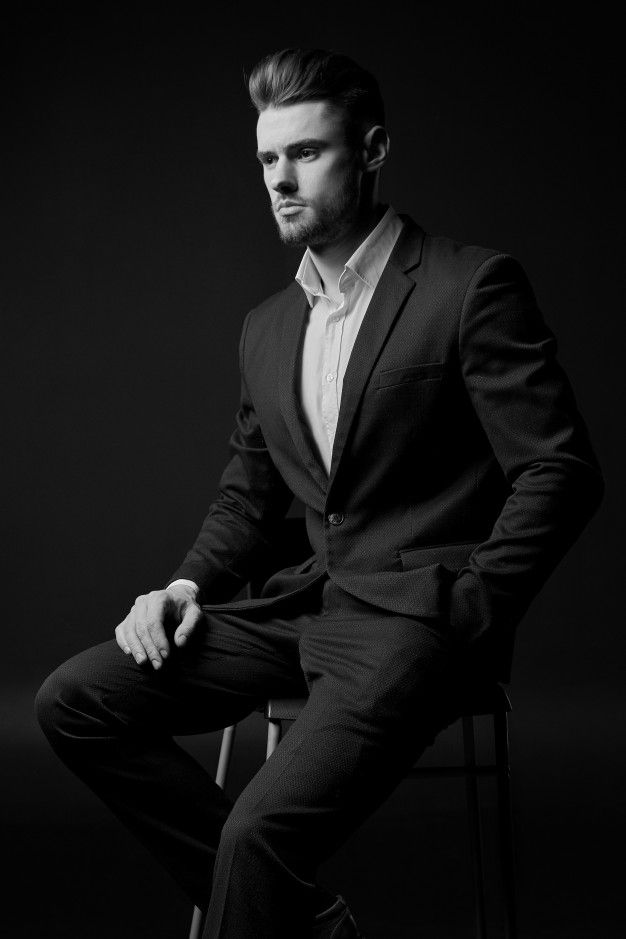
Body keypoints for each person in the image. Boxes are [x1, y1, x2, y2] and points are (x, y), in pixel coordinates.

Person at [35, 48, 604, 939]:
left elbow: (559, 469)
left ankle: (265, 892)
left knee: (258, 834)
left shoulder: (468, 286)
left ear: (373, 150)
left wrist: (472, 611)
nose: (280, 179)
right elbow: (248, 500)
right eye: (267, 159)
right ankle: (302, 920)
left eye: (306, 153)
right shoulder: (267, 328)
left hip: (415, 621)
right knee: (75, 699)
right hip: (304, 608)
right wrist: (183, 587)